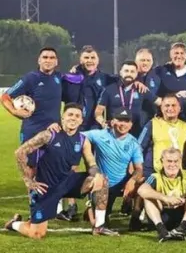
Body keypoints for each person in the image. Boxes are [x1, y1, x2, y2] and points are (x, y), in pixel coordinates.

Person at [4, 104, 114, 238]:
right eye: (70, 114)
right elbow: (20, 152)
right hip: (46, 188)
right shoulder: (48, 135)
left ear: (81, 121)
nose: (73, 118)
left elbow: (91, 163)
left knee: (102, 179)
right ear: (62, 118)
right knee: (37, 234)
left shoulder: (83, 140)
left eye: (77, 116)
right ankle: (14, 224)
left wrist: (96, 174)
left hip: (68, 182)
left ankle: (99, 226)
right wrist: (28, 180)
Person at [83, 109, 145, 230]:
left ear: (131, 124)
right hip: (102, 184)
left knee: (142, 182)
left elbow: (139, 168)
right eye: (119, 120)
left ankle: (135, 220)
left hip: (121, 184)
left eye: (126, 121)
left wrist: (132, 180)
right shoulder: (99, 135)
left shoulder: (134, 143)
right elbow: (77, 136)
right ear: (112, 122)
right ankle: (91, 207)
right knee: (101, 222)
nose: (123, 124)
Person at [136, 147, 186, 241]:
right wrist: (165, 198)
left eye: (176, 161)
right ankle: (162, 231)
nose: (172, 164)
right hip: (161, 216)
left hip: (182, 216)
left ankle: (182, 229)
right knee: (148, 197)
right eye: (169, 161)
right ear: (162, 161)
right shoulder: (155, 176)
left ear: (180, 161)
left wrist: (185, 199)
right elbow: (141, 190)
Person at [138, 95, 186, 175]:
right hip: (154, 172)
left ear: (180, 108)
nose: (170, 108)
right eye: (167, 105)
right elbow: (139, 147)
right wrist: (138, 169)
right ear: (161, 108)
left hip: (178, 172)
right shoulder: (153, 123)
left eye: (174, 105)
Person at [95, 60, 148, 136]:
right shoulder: (110, 89)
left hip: (136, 132)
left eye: (132, 71)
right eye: (126, 71)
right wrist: (103, 123)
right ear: (120, 72)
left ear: (136, 74)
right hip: (114, 132)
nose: (129, 74)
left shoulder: (142, 89)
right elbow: (98, 112)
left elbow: (160, 102)